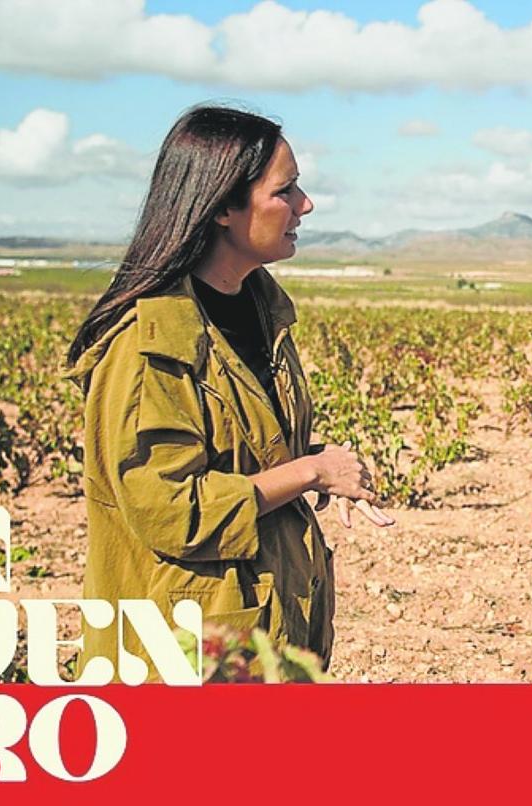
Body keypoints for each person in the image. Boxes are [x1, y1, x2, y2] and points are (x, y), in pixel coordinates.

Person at [67, 105, 393, 679]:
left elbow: (238, 447)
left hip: (258, 631)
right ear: (221, 206)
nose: (305, 205)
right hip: (185, 651)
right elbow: (171, 511)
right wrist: (311, 474)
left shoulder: (260, 310)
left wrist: (313, 459)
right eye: (285, 191)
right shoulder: (147, 345)